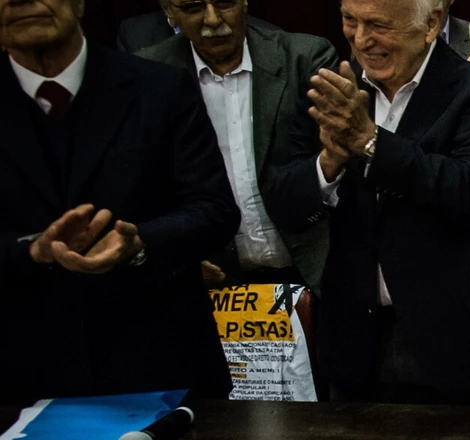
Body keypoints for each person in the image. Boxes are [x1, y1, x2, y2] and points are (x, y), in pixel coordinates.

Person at [261, 0, 470, 405]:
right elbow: (284, 200)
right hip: (355, 342)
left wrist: (369, 143)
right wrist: (329, 162)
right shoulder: (335, 89)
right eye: (349, 21)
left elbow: (464, 190)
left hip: (457, 342)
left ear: (431, 24)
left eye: (378, 25)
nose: (361, 39)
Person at [0, 0, 239, 401]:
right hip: (21, 381)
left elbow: (214, 210)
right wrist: (31, 252)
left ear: (80, 3)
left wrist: (139, 243)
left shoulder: (162, 87)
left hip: (162, 375)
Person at [135, 0, 339, 289]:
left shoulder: (304, 58)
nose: (213, 20)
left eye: (224, 3)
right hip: (213, 282)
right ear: (169, 13)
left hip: (314, 271)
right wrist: (173, 252)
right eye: (193, 7)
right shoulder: (149, 75)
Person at [116, 8, 281, 53]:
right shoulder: (134, 34)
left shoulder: (276, 42)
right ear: (168, 9)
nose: (212, 20)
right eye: (193, 6)